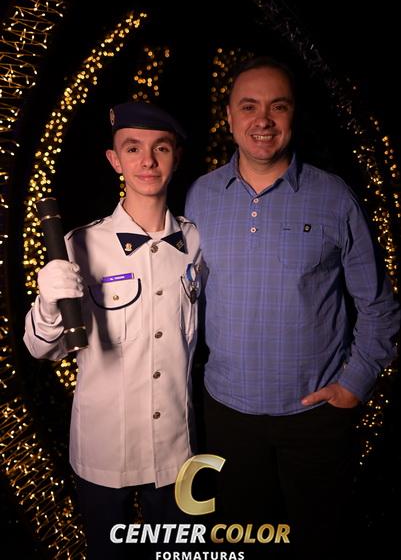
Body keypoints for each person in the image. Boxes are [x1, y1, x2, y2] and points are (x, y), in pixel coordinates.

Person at [185, 56, 400, 557]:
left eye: (277, 106)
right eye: (249, 106)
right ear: (230, 117)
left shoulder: (334, 197)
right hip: (227, 414)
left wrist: (353, 385)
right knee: (241, 541)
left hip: (314, 419)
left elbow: (379, 306)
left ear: (293, 115)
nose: (263, 120)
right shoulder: (200, 196)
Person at [24, 101, 202, 559]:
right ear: (114, 160)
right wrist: (48, 303)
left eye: (161, 148)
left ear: (176, 157)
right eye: (133, 148)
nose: (148, 161)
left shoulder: (197, 242)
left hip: (175, 451)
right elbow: (42, 349)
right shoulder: (80, 244)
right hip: (104, 452)